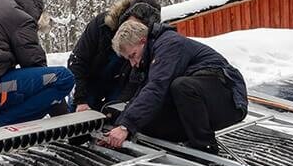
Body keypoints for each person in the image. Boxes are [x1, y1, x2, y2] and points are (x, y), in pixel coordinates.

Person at [98, 18, 247, 154]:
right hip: (204, 104)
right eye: (128, 59)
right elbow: (142, 95)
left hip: (228, 101)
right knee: (147, 120)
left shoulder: (169, 44)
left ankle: (205, 147)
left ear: (143, 41)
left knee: (181, 87)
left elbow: (156, 88)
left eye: (133, 55)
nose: (133, 63)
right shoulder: (150, 56)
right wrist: (121, 126)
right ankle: (188, 141)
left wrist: (126, 127)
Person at [67, 0, 160, 112]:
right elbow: (77, 61)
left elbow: (138, 78)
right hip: (88, 81)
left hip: (120, 85)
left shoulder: (149, 40)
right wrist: (80, 100)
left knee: (115, 115)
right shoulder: (101, 25)